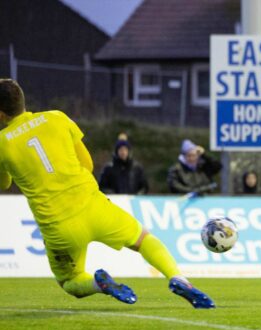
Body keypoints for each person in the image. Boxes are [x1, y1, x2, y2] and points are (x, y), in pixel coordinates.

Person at [0, 79, 214, 308]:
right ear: (22, 101)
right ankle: (177, 278)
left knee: (70, 280)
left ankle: (99, 284)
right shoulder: (57, 117)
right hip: (93, 206)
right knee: (143, 240)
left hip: (59, 225)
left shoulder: (2, 144)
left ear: (1, 114)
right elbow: (87, 164)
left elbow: (4, 183)